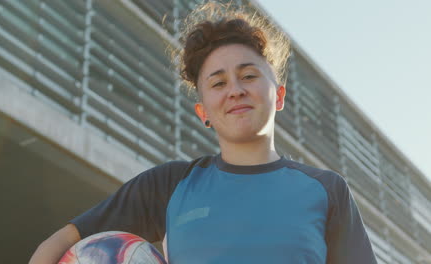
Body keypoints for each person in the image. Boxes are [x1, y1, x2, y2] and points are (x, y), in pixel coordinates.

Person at [29, 2, 378, 264]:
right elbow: (55, 247)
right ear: (203, 112)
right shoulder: (169, 185)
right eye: (218, 83)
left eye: (249, 75)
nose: (236, 90)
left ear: (280, 95)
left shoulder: (327, 190)